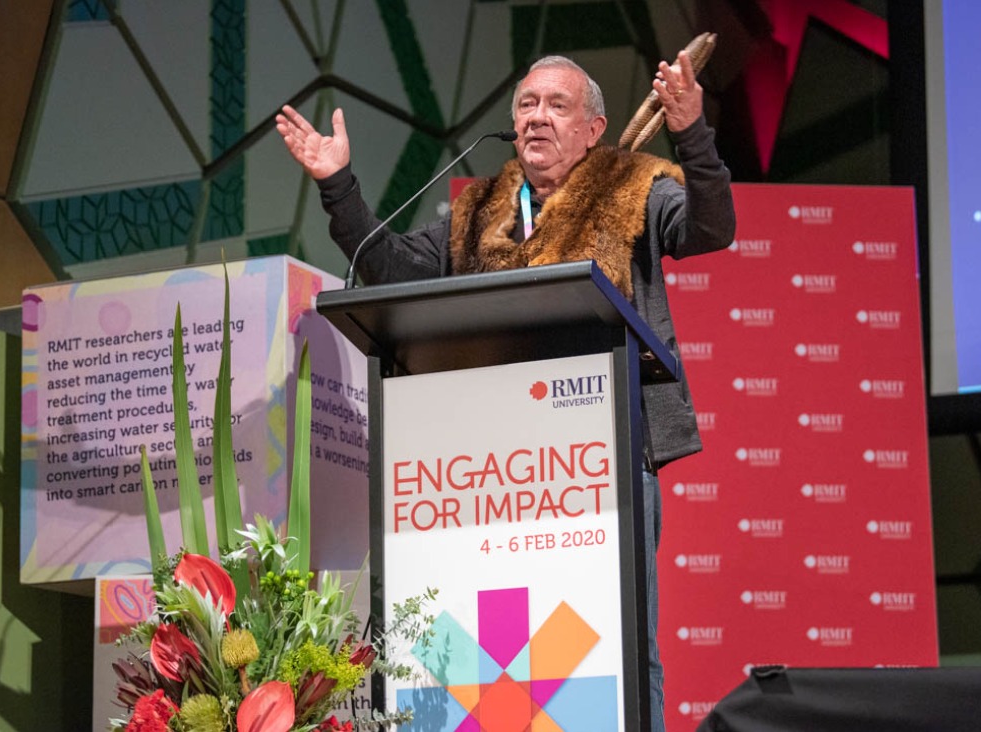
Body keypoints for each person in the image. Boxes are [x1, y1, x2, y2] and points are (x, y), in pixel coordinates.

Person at [278, 50, 735, 731]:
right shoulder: (480, 210)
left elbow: (710, 228)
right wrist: (338, 186)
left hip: (601, 463)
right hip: (486, 472)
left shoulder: (637, 185)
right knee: (489, 643)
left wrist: (692, 133)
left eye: (557, 105)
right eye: (526, 105)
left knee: (617, 637)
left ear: (594, 129)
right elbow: (390, 268)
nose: (537, 118)